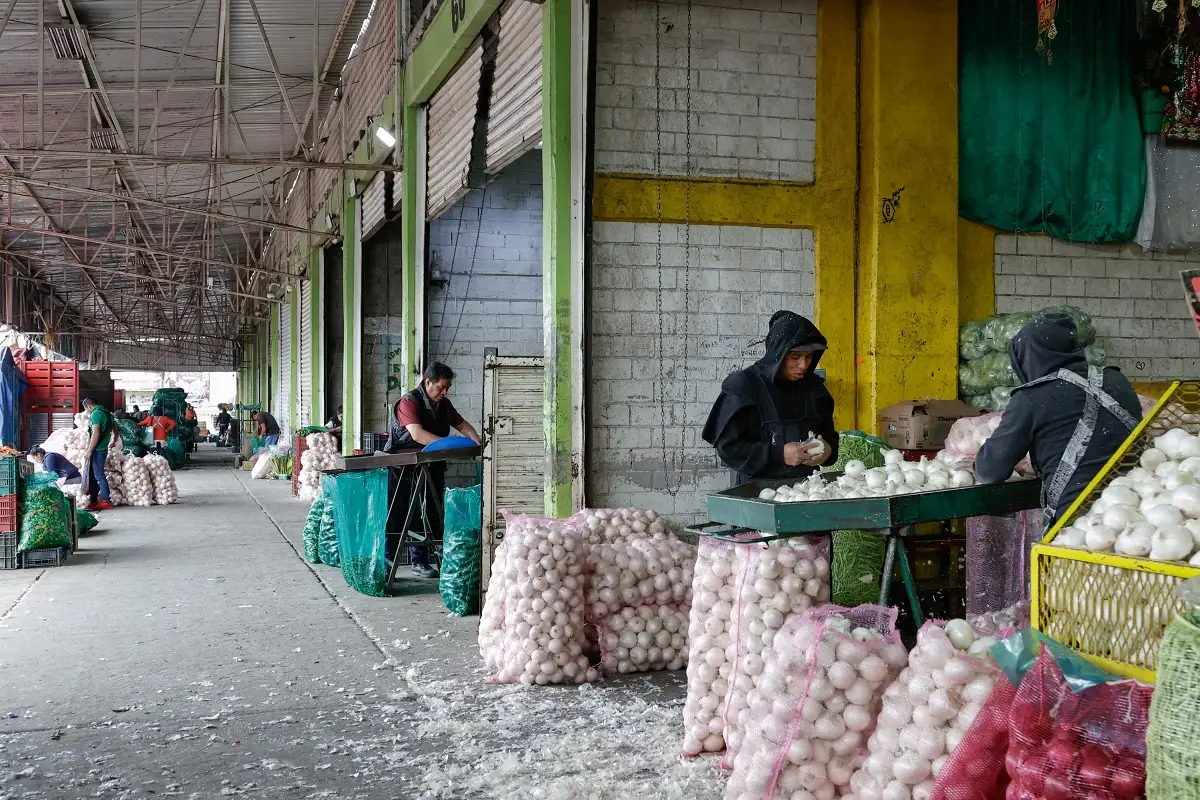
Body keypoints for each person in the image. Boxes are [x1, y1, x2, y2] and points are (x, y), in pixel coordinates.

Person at [976, 312, 1142, 524]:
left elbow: (990, 470)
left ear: (1028, 357)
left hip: (1081, 525)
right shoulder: (1117, 380)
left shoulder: (1031, 397)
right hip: (1137, 509)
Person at [703, 311, 839, 484]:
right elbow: (729, 449)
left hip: (808, 491)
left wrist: (828, 451)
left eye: (809, 357)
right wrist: (778, 453)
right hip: (756, 494)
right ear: (778, 353)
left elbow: (829, 437)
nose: (803, 365)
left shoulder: (814, 389)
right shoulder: (745, 386)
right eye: (795, 357)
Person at [384, 363, 483, 579]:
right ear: (428, 382)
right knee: (397, 514)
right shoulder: (408, 403)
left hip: (431, 464)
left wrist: (477, 443)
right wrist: (449, 444)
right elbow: (417, 434)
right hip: (403, 468)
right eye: (441, 387)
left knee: (429, 513)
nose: (444, 392)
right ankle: (387, 562)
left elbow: (462, 424)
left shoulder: (444, 404)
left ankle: (420, 561)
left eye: (447, 387)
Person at [81, 397, 114, 511]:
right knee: (95, 475)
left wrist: (89, 450)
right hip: (103, 448)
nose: (88, 412)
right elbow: (116, 431)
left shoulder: (96, 414)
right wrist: (113, 441)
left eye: (87, 409)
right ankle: (94, 499)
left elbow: (96, 433)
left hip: (98, 449)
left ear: (89, 406)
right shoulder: (107, 413)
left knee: (99, 475)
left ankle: (106, 500)